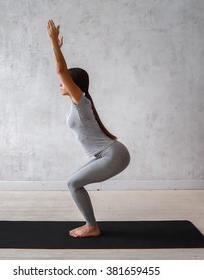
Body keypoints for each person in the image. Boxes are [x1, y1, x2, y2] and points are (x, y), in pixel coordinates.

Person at [46, 19, 130, 238]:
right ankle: (91, 224)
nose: (60, 83)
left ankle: (92, 226)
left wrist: (54, 42)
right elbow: (62, 73)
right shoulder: (78, 105)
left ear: (75, 85)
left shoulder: (81, 102)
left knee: (73, 183)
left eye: (65, 81)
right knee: (73, 182)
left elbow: (60, 69)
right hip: (107, 153)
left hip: (113, 154)